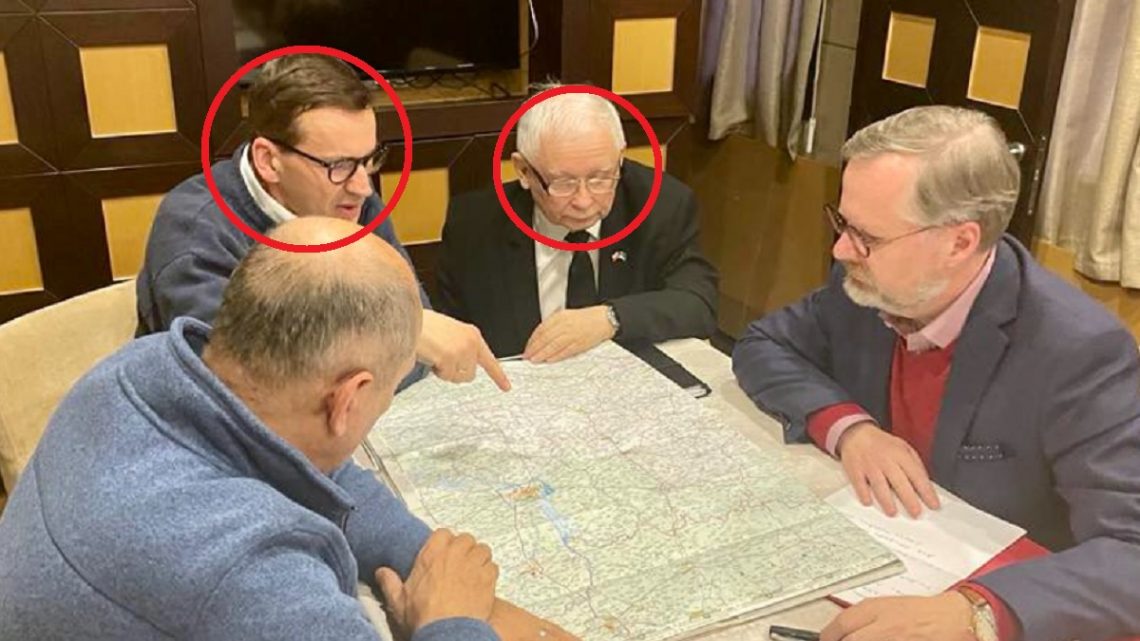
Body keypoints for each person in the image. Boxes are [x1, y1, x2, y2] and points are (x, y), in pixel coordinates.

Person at [0, 217, 577, 641]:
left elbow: (313, 468)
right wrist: (449, 620)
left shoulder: (136, 369)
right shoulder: (257, 578)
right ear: (348, 399)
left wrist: (425, 558)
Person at [732, 106, 1140, 641]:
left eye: (867, 236)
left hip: (1002, 594)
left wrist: (979, 612)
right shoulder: (867, 282)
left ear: (959, 243)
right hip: (881, 553)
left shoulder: (1080, 351)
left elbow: (1130, 551)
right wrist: (851, 428)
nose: (841, 249)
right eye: (842, 223)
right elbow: (764, 344)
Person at [136, 53, 508, 391]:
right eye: (338, 165)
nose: (363, 187)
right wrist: (393, 338)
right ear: (268, 161)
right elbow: (246, 387)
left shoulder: (352, 201)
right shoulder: (195, 229)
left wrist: (398, 345)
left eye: (368, 159)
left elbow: (412, 357)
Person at [438, 87, 718, 362]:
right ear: (524, 171)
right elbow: (447, 333)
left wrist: (609, 318)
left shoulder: (662, 204)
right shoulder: (473, 225)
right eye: (564, 183)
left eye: (600, 178)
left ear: (620, 158)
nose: (584, 201)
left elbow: (698, 303)